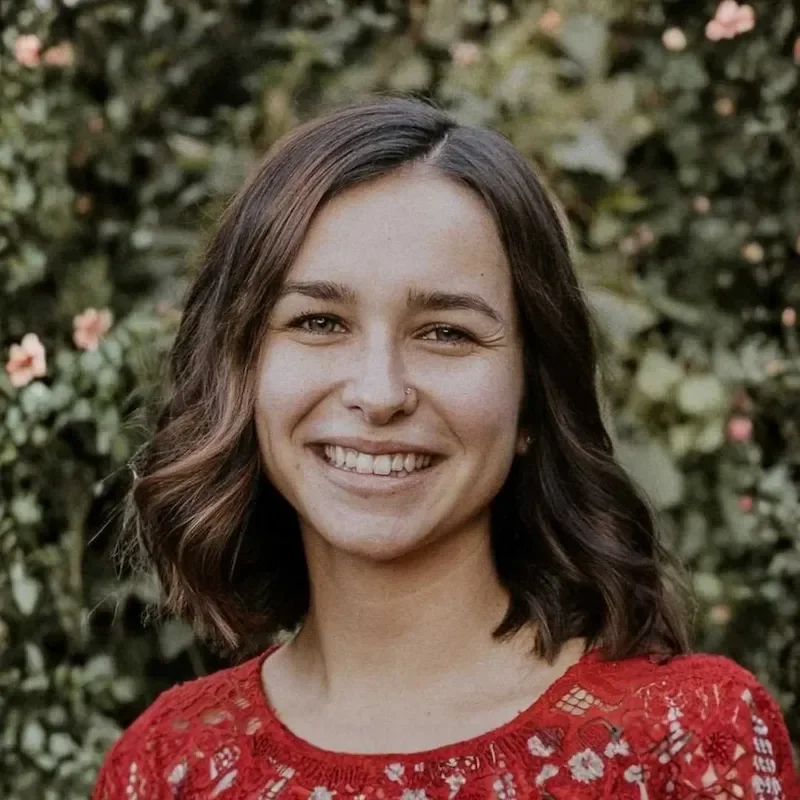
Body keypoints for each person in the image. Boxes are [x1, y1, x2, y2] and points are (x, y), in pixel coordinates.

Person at [93, 96, 799, 799]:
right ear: (242, 370)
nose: (379, 392)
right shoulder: (165, 768)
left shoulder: (685, 741)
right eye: (318, 321)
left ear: (533, 398)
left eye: (446, 332)